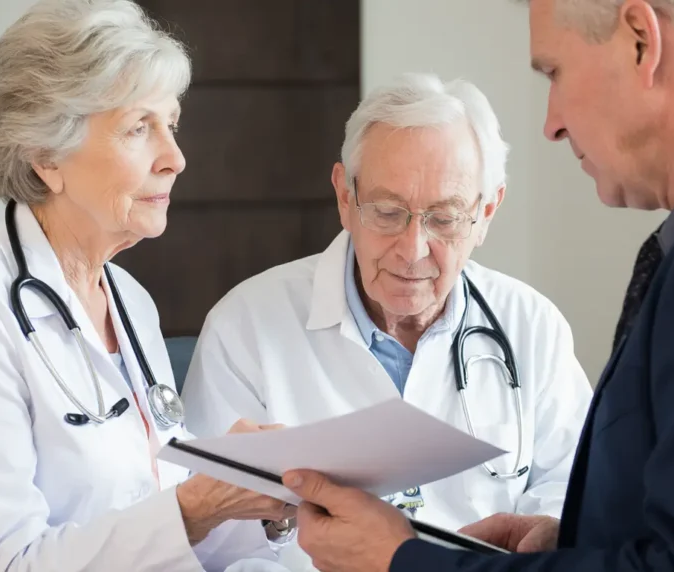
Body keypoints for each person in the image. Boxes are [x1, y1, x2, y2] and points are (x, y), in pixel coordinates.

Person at [269, 0, 674, 571]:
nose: (552, 121)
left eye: (554, 73)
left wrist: (404, 559)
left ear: (641, 39)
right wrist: (580, 540)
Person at [0, 1, 296, 570]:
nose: (176, 158)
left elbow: (165, 528)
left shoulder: (128, 302)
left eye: (171, 124)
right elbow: (3, 563)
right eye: (139, 128)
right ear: (47, 156)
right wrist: (195, 506)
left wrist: (259, 494)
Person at [179, 72, 593, 568]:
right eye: (388, 211)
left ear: (486, 212)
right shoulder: (244, 327)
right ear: (344, 198)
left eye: (444, 217)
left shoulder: (532, 327)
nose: (413, 250)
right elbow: (215, 544)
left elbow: (570, 496)